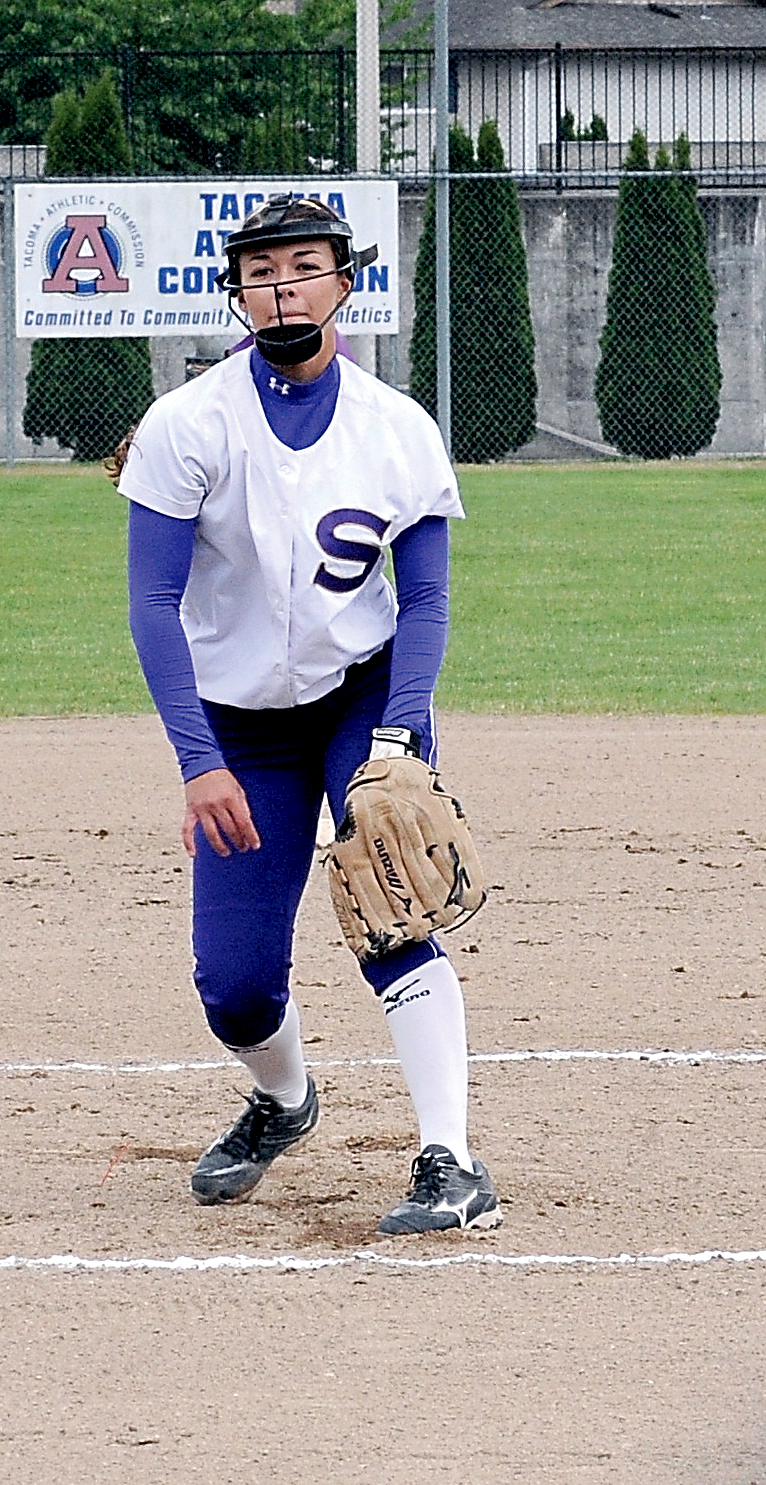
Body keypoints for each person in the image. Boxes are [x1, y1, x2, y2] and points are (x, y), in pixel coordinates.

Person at [114, 195, 501, 1235]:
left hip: (358, 698)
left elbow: (422, 598)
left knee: (391, 908)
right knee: (234, 987)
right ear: (234, 291)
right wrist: (198, 762)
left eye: (304, 264)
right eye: (260, 269)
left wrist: (400, 732)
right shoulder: (188, 424)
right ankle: (284, 1100)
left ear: (345, 281)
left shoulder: (396, 428)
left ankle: (451, 1161)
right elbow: (151, 605)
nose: (281, 284)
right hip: (235, 727)